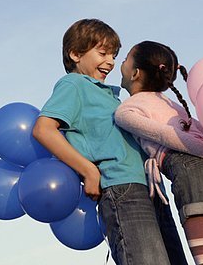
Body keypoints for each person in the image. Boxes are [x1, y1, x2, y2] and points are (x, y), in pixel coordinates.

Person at [32, 20, 187, 265]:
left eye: (114, 55)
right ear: (75, 54)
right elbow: (43, 129)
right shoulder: (74, 85)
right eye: (102, 53)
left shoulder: (114, 97)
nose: (111, 61)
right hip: (122, 190)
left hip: (152, 190)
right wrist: (88, 170)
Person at [114, 40, 203, 265]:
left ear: (135, 73)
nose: (121, 63)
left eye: (125, 60)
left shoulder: (126, 110)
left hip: (196, 174)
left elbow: (171, 137)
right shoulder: (173, 105)